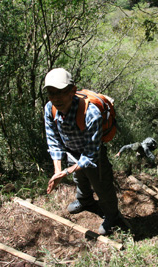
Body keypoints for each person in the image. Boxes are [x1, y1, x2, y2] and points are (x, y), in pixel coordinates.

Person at [44, 68, 120, 235]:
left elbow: (90, 155)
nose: (56, 98)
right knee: (79, 178)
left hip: (93, 154)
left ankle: (112, 216)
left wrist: (66, 172)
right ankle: (85, 200)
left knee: (102, 184)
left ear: (72, 91)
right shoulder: (50, 108)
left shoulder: (91, 113)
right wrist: (58, 171)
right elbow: (53, 141)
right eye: (51, 93)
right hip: (72, 150)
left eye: (61, 92)